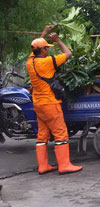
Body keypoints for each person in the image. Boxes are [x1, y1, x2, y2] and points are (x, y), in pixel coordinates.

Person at [26, 25, 83, 175]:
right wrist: (57, 40)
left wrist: (43, 33)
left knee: (42, 135)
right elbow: (68, 53)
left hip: (38, 104)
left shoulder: (30, 62)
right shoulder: (47, 62)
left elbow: (35, 46)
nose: (48, 50)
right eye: (47, 48)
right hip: (50, 103)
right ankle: (64, 165)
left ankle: (43, 166)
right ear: (43, 50)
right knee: (60, 133)